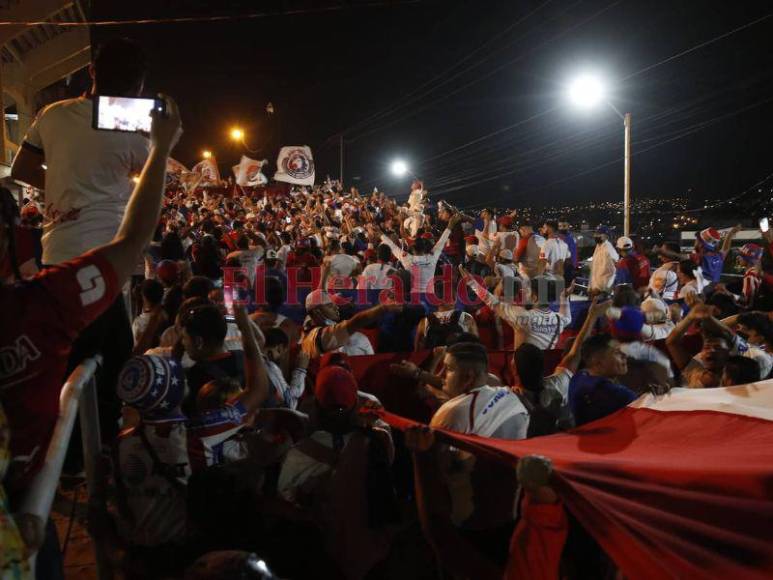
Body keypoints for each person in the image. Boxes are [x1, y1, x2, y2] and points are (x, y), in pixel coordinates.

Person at [0, 95, 181, 555]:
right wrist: (161, 148)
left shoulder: (52, 116)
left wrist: (65, 191)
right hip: (18, 544)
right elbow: (134, 236)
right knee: (110, 377)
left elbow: (24, 169)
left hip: (22, 526)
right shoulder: (37, 307)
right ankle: (91, 466)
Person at [114, 305, 268, 577]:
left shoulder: (118, 446)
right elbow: (258, 389)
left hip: (141, 553)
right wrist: (245, 327)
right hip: (188, 547)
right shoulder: (200, 431)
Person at [514, 298, 610, 436]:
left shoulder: (508, 399)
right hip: (563, 444)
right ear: (544, 367)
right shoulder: (560, 384)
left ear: (515, 371)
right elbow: (575, 352)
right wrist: (592, 316)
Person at [462, 266, 571, 351]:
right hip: (546, 367)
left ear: (535, 297)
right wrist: (564, 298)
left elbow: (490, 301)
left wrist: (472, 283)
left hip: (521, 369)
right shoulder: (559, 319)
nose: (524, 292)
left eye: (529, 290)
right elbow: (566, 317)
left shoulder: (522, 315)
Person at [376, 212, 461, 296]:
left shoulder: (407, 259)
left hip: (414, 299)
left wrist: (380, 233)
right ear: (425, 248)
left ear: (413, 249)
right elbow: (441, 241)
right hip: (430, 298)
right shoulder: (432, 257)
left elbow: (393, 247)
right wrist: (450, 225)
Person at [568, 334, 638, 426]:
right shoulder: (619, 394)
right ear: (597, 361)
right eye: (617, 352)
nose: (625, 355)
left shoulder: (577, 377)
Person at [263, 328, 309, 410]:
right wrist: (301, 369)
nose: (284, 357)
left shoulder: (252, 360)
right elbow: (289, 400)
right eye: (285, 352)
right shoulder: (269, 366)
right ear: (280, 348)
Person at [589, 226, 618, 295]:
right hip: (595, 286)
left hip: (603, 288)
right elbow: (595, 268)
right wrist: (590, 286)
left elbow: (615, 265)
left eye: (599, 234)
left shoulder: (608, 247)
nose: (596, 236)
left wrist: (607, 287)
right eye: (596, 234)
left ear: (606, 236)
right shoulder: (598, 246)